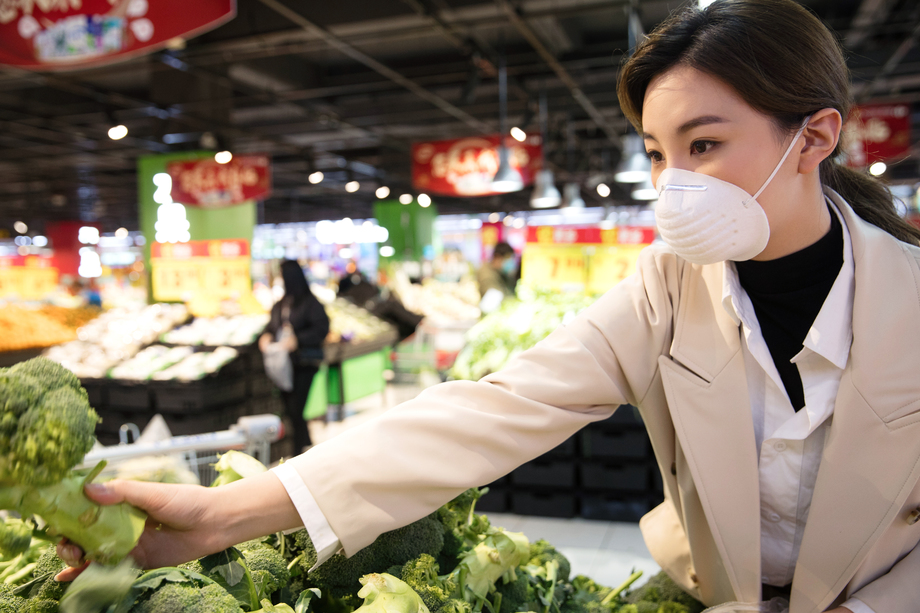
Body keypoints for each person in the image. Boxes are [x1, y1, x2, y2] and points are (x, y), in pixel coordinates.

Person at [56, 2, 920, 612]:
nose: (672, 185)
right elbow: (490, 410)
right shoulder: (666, 286)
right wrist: (222, 515)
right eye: (657, 152)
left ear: (813, 136)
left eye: (704, 144)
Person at [258, 260, 330, 453]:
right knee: (291, 409)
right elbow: (271, 326)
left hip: (305, 363)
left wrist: (298, 340)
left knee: (296, 408)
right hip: (282, 365)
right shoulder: (281, 304)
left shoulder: (310, 303)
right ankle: (305, 445)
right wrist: (266, 336)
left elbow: (322, 329)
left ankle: (299, 450)